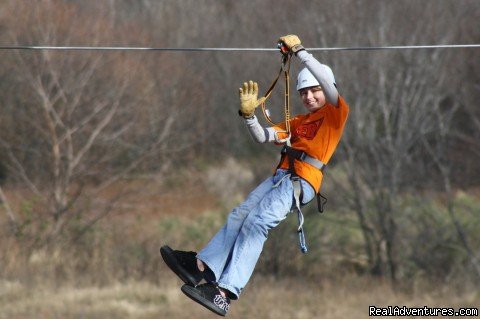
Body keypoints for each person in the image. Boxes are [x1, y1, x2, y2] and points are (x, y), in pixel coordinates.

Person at [160, 34, 349, 316]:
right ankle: (200, 266)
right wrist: (249, 117)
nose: (309, 96)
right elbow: (263, 136)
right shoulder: (299, 122)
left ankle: (224, 292)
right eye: (303, 93)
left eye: (314, 91)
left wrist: (300, 52)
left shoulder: (335, 112)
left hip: (303, 180)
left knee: (258, 223)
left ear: (326, 88)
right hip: (282, 176)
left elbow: (324, 81)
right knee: (240, 215)